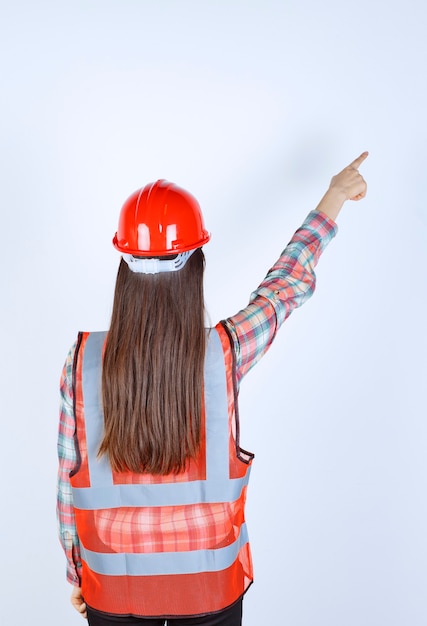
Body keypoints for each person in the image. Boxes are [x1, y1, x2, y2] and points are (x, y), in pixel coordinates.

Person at [57, 153, 368, 625]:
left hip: (113, 588)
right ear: (194, 268)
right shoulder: (226, 350)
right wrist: (334, 199)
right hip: (210, 586)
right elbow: (283, 289)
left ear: (124, 270)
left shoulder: (82, 363)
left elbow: (68, 485)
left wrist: (77, 572)